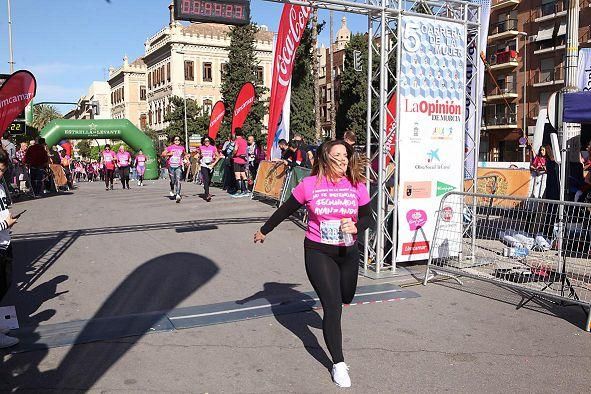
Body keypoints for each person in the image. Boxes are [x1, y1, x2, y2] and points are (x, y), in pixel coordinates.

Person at [254, 140, 371, 388]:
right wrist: (265, 230)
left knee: (346, 296)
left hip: (348, 252)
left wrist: (356, 226)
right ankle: (338, 364)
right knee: (333, 306)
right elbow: (285, 209)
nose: (343, 158)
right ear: (325, 158)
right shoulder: (309, 185)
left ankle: (335, 318)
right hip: (318, 251)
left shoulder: (357, 184)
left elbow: (367, 216)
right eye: (337, 154)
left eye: (345, 154)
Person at [0, 149, 20, 348]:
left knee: (5, 283)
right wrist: (6, 224)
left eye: (3, 170)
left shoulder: (1, 185)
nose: (0, 173)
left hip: (4, 241)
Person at [162, 136, 185, 203]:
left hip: (178, 166)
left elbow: (183, 155)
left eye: (178, 140)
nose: (177, 141)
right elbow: (163, 154)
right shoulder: (170, 147)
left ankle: (178, 194)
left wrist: (186, 159)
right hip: (171, 166)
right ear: (173, 141)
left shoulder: (182, 148)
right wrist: (170, 154)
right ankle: (172, 189)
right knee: (172, 180)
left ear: (180, 141)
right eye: (175, 140)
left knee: (178, 180)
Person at [199, 136, 220, 202]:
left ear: (210, 141)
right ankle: (207, 195)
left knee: (209, 180)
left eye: (208, 141)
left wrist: (214, 164)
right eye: (205, 141)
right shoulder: (201, 147)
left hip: (211, 165)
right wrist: (200, 156)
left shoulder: (213, 148)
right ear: (203, 142)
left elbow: (218, 156)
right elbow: (198, 156)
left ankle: (206, 187)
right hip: (204, 165)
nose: (206, 142)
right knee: (206, 179)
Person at [232, 129, 249, 197]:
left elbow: (235, 149)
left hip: (237, 159)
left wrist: (233, 155)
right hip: (243, 160)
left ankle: (239, 191)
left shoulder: (237, 141)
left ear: (235, 133)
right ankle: (245, 190)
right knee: (243, 175)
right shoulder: (245, 141)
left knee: (237, 176)